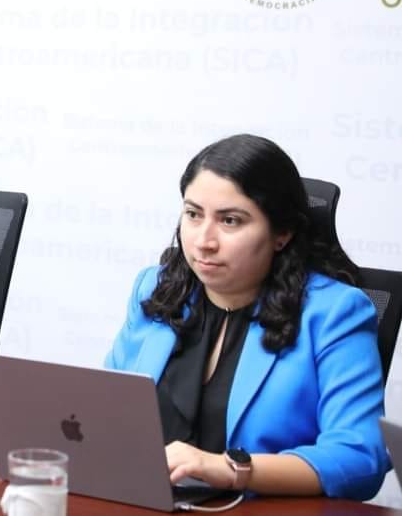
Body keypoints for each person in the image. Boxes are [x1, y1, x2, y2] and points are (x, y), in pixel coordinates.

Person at [105, 134, 389, 500]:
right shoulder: (156, 288)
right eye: (193, 214)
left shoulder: (335, 313)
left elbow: (359, 459)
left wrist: (228, 469)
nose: (204, 241)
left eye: (230, 221)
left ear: (281, 233)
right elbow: (106, 410)